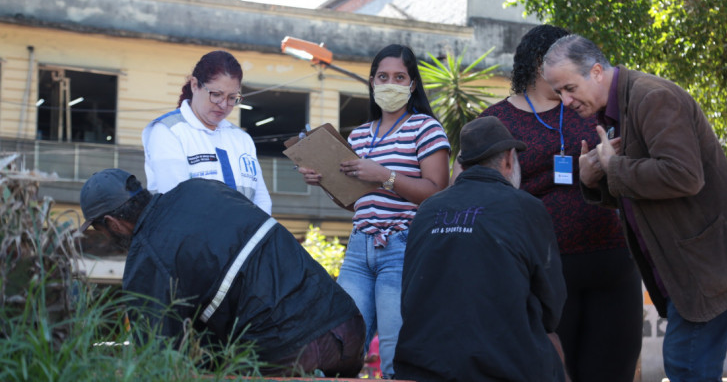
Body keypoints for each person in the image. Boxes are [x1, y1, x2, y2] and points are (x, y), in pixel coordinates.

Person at [542, 34, 727, 381]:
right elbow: (645, 190)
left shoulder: (652, 97)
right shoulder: (621, 105)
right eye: (558, 93)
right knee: (688, 365)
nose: (565, 100)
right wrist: (593, 177)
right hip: (695, 268)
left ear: (596, 71)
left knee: (686, 365)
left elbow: (683, 175)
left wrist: (612, 168)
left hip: (711, 265)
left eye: (569, 87)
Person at [474, 25, 641, 382]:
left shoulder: (592, 105)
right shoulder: (496, 120)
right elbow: (473, 188)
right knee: (550, 372)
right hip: (541, 270)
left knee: (613, 370)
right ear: (539, 63)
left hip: (612, 260)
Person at [79, 169, 363, 377]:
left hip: (288, 352)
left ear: (112, 223)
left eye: (97, 228)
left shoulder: (147, 258)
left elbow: (158, 357)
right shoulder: (202, 188)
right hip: (347, 325)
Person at [297, 44, 450, 377]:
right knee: (343, 346)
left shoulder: (426, 128)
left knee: (396, 353)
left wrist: (385, 177)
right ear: (372, 82)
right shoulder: (360, 135)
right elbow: (356, 202)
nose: (390, 83)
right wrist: (322, 180)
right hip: (358, 249)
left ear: (412, 85)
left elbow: (438, 193)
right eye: (383, 76)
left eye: (399, 77)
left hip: (403, 248)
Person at [394, 116, 567, 382]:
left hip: (420, 366)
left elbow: (410, 299)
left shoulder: (427, 209)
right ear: (509, 159)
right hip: (503, 369)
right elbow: (551, 307)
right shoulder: (525, 207)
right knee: (552, 344)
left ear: (460, 163)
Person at [142, 50, 272, 214]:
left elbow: (261, 200)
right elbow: (178, 202)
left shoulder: (241, 139)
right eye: (216, 95)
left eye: (232, 98)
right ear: (195, 85)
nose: (224, 105)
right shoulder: (168, 132)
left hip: (244, 238)